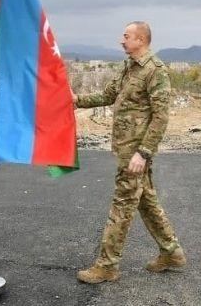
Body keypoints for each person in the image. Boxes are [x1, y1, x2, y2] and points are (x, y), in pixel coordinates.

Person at [74, 21, 186, 284]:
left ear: (141, 40)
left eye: (126, 36)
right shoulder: (128, 66)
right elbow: (109, 94)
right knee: (145, 201)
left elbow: (160, 117)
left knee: (123, 205)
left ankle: (107, 265)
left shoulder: (155, 71)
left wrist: (144, 152)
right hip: (125, 149)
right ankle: (172, 252)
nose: (121, 40)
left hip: (136, 153)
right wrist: (76, 100)